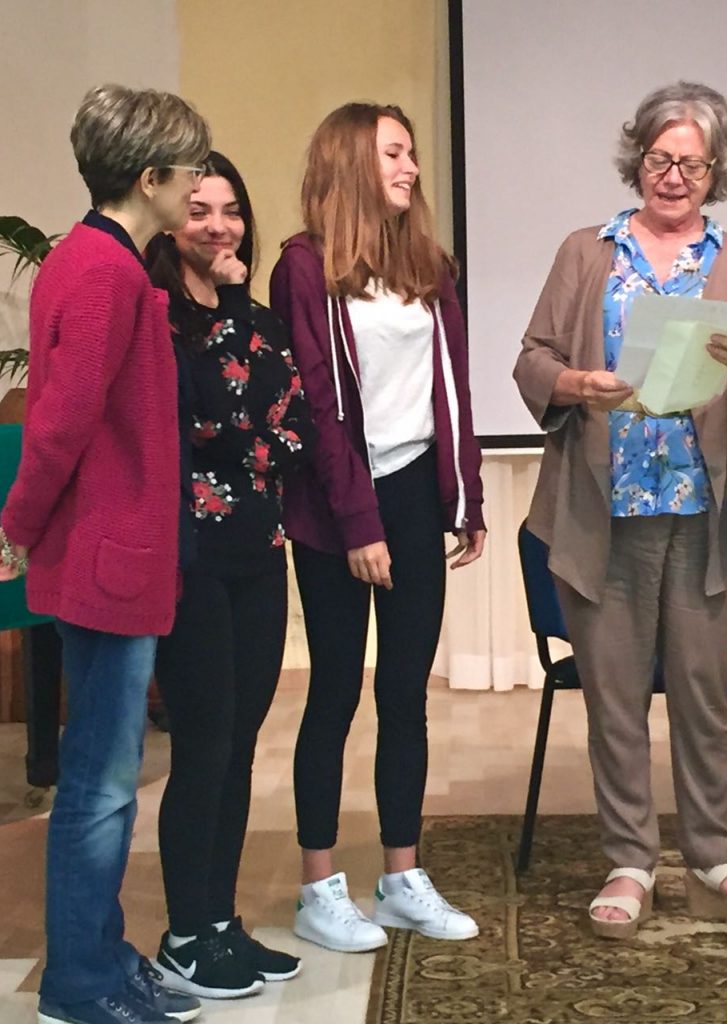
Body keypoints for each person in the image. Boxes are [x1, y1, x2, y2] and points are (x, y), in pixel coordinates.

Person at [513, 81, 727, 939]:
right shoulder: (585, 252)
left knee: (702, 696)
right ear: (636, 159)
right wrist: (573, 382)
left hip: (705, 514)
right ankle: (629, 861)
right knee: (615, 697)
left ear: (716, 172)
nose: (673, 177)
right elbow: (531, 358)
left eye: (691, 165)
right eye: (659, 158)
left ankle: (711, 855)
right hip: (603, 511)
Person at [0, 85, 210, 1024]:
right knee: (102, 785)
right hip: (105, 557)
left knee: (103, 779)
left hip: (106, 552)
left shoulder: (98, 261)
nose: (199, 185)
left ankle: (103, 957)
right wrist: (17, 526)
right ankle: (78, 983)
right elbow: (60, 424)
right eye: (191, 170)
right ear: (149, 177)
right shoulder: (104, 272)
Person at [270, 102, 486, 954]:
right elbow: (317, 405)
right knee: (334, 690)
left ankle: (401, 879)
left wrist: (465, 496)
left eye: (410, 153)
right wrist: (358, 522)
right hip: (334, 505)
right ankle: (318, 888)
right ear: (350, 162)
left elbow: (453, 383)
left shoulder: (430, 265)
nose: (410, 168)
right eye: (393, 153)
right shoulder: (303, 266)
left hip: (412, 494)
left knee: (405, 695)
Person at [145, 151, 313, 997]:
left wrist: (241, 438)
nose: (219, 226)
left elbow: (295, 425)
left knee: (241, 745)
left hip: (259, 547)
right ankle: (182, 936)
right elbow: (205, 416)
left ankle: (217, 922)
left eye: (231, 210)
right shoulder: (158, 317)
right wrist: (245, 437)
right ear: (170, 220)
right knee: (204, 745)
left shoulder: (255, 316)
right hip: (192, 557)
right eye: (200, 210)